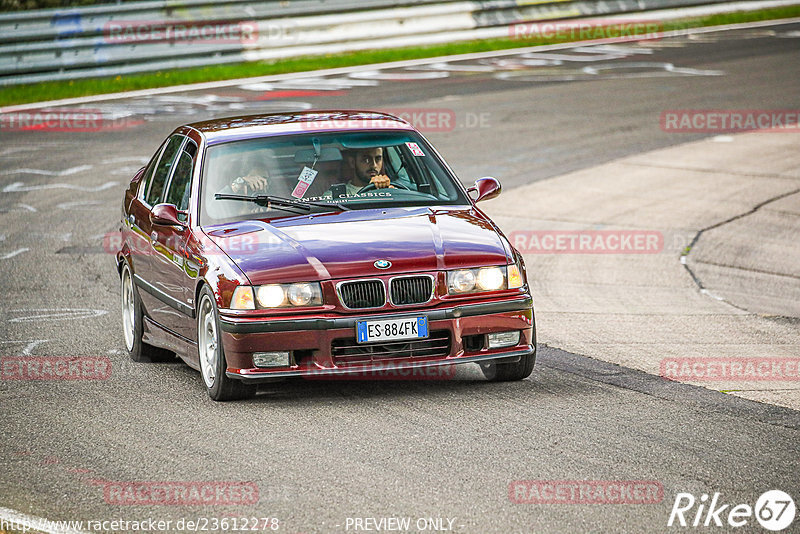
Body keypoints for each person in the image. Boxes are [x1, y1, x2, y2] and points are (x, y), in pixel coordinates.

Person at [323, 147, 392, 197]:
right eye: (366, 159)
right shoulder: (334, 196)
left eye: (378, 159)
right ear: (352, 162)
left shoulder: (389, 190)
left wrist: (387, 190)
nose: (374, 165)